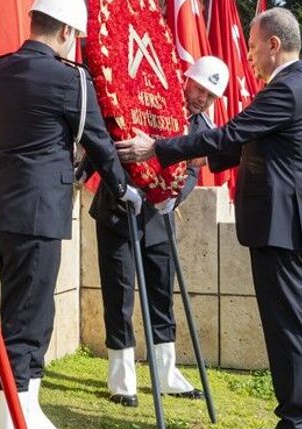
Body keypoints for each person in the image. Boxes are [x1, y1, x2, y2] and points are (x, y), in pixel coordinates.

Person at [115, 8, 302, 429]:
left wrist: (157, 148)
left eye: (252, 46)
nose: (249, 55)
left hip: (282, 229)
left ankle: (298, 426)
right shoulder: (301, 87)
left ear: (273, 44)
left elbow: (232, 133)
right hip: (292, 227)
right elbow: (249, 143)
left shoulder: (286, 90)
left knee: (290, 329)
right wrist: (197, 153)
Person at [0, 0, 143, 429]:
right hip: (38, 213)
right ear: (69, 31)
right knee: (29, 319)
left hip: (2, 208)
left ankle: (20, 413)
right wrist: (123, 189)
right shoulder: (72, 79)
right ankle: (12, 424)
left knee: (19, 310)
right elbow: (99, 144)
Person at [88, 56, 229, 408]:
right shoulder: (147, 97)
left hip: (159, 217)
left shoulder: (202, 125)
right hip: (121, 206)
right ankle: (122, 376)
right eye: (200, 89)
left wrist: (172, 197)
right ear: (186, 79)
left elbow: (193, 171)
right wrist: (125, 188)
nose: (202, 99)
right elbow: (114, 144)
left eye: (210, 96)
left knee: (161, 294)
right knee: (119, 293)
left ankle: (165, 373)